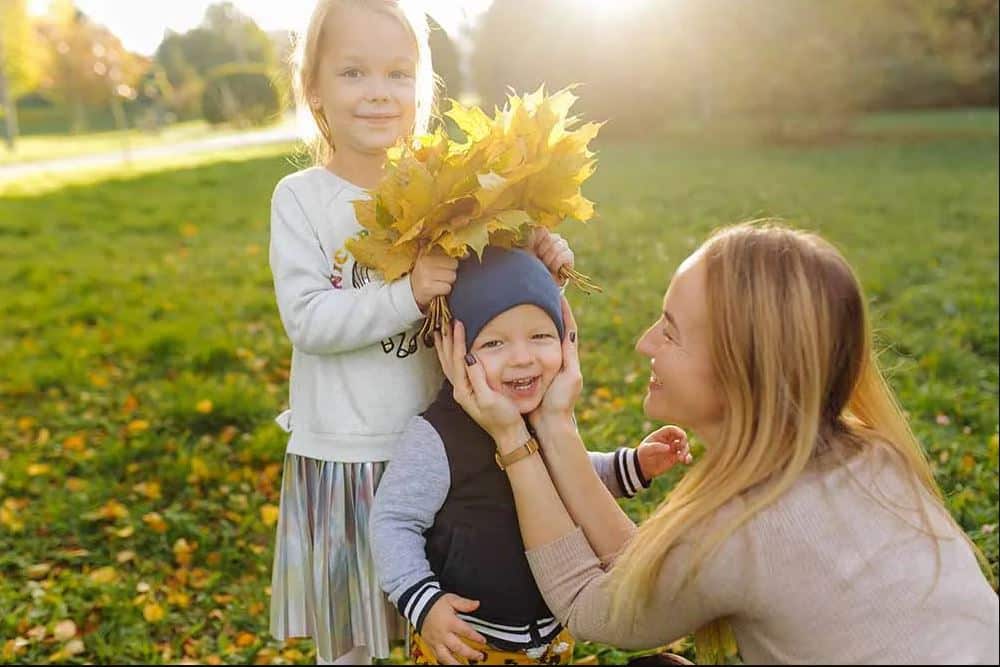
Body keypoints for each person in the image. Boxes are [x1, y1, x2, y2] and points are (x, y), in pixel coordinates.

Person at [440, 222, 1000, 664]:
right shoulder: (873, 456)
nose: (643, 344)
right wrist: (556, 425)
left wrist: (514, 437)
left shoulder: (745, 526)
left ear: (741, 369)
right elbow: (645, 569)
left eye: (670, 330)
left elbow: (592, 605)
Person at [266, 2, 574, 663]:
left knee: (442, 624)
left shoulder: (445, 192)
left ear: (421, 87)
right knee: (351, 639)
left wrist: (539, 257)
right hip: (344, 455)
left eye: (398, 74)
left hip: (444, 450)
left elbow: (496, 294)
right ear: (314, 87)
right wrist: (407, 292)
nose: (378, 91)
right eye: (353, 72)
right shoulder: (301, 199)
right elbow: (309, 319)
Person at [370, 247, 689, 665]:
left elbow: (567, 481)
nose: (522, 358)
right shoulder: (438, 435)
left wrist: (629, 466)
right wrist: (423, 601)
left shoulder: (542, 414)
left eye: (540, 336)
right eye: (494, 342)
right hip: (470, 642)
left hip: (550, 635)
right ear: (453, 348)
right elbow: (393, 521)